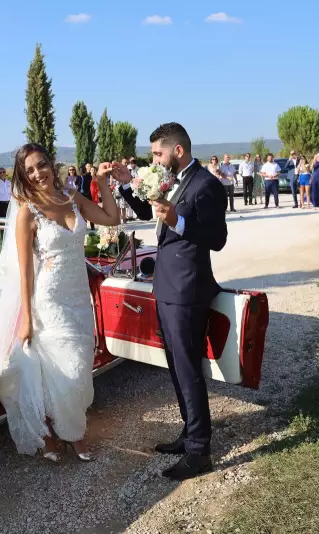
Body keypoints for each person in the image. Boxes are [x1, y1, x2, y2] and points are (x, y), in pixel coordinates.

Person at [0, 144, 120, 464]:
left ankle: (67, 430)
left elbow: (111, 216)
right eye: (29, 170)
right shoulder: (28, 211)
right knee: (64, 370)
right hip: (50, 299)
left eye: (41, 165)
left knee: (80, 368)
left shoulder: (73, 197)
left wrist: (100, 182)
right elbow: (25, 269)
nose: (37, 173)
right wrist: (26, 317)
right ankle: (71, 435)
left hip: (78, 298)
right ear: (23, 176)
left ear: (51, 164)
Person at [114, 122, 227, 481]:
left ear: (177, 150)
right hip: (165, 286)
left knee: (188, 368)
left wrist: (178, 219)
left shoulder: (206, 184)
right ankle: (188, 432)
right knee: (175, 367)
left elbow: (217, 238)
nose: (155, 160)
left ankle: (199, 451)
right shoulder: (170, 180)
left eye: (158, 153)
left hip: (188, 289)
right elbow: (148, 214)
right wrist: (127, 185)